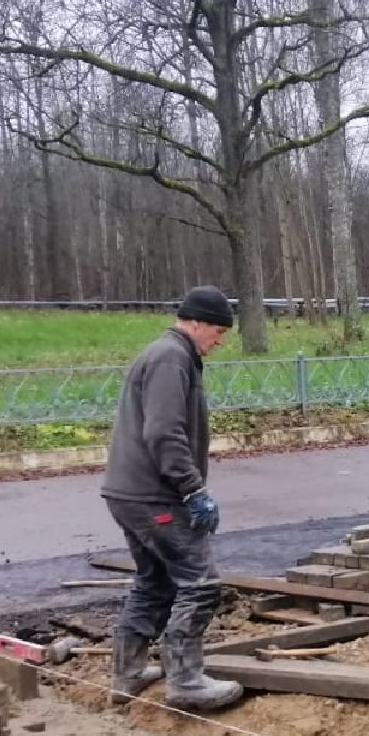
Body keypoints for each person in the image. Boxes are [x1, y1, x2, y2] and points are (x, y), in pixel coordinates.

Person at [99, 286, 244, 712]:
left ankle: (127, 674)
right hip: (153, 495)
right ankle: (185, 680)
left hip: (130, 491)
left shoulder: (168, 353)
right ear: (195, 322)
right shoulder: (171, 358)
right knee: (200, 584)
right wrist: (193, 488)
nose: (218, 342)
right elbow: (163, 432)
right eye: (217, 332)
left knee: (153, 583)